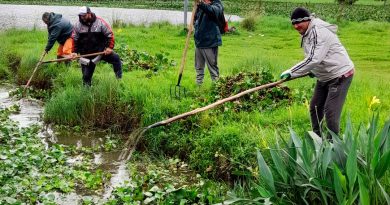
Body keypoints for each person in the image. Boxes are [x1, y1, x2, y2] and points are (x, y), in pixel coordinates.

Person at [280, 7, 354, 138]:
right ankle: (318, 140)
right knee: (315, 108)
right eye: (293, 23)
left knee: (330, 113)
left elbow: (314, 58)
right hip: (324, 76)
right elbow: (316, 56)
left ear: (308, 20)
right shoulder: (307, 31)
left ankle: (333, 147)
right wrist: (314, 70)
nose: (296, 26)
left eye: (299, 22)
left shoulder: (318, 31)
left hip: (339, 75)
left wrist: (291, 72)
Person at [72, 6, 122, 86]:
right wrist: (74, 52)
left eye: (84, 15)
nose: (82, 17)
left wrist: (109, 48)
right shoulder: (77, 25)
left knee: (116, 58)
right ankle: (86, 93)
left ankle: (119, 80)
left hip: (101, 52)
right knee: (86, 77)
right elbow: (74, 39)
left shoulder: (100, 22)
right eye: (81, 15)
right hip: (86, 55)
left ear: (89, 14)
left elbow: (110, 34)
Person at [193, 0, 224, 85]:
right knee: (198, 68)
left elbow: (212, 11)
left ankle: (217, 88)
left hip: (210, 42)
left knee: (213, 68)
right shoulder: (200, 6)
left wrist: (201, 4)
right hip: (199, 42)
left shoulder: (217, 4)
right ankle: (198, 87)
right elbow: (196, 20)